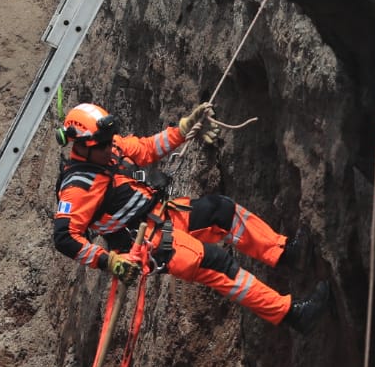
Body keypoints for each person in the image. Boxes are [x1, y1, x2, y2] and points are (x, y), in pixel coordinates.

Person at [51, 101, 329, 332]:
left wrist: (183, 130)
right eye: (101, 144)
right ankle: (292, 314)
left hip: (164, 216)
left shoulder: (110, 147)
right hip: (149, 244)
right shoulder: (78, 187)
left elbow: (147, 148)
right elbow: (65, 237)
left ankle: (286, 253)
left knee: (221, 210)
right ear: (81, 145)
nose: (108, 147)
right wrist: (109, 261)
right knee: (216, 263)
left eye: (108, 141)